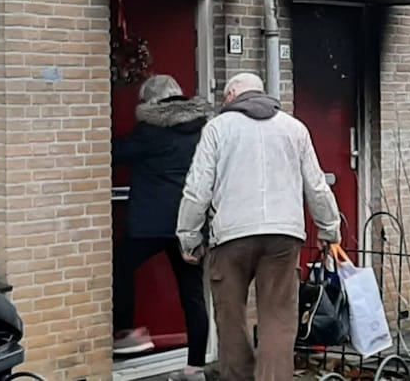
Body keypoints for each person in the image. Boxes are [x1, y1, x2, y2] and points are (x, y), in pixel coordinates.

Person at [178, 72, 341, 381]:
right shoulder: (294, 129)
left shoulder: (217, 129)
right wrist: (328, 228)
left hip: (231, 236)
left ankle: (237, 376)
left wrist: (188, 237)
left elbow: (197, 189)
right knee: (278, 319)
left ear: (231, 96)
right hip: (283, 236)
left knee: (230, 317)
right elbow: (317, 186)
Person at [112, 74, 212, 381]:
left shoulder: (150, 130)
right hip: (189, 224)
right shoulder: (203, 130)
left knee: (119, 268)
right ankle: (196, 365)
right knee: (192, 293)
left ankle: (126, 331)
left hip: (151, 225)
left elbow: (115, 154)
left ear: (150, 101)